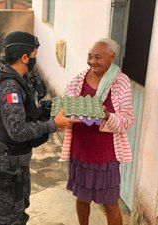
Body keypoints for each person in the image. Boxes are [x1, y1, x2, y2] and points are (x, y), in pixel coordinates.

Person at [0, 31, 80, 225]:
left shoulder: (17, 77)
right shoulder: (9, 86)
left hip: (15, 158)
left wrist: (53, 106)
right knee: (8, 216)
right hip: (6, 160)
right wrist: (53, 125)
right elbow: (18, 131)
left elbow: (28, 109)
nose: (36, 60)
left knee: (19, 206)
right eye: (35, 55)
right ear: (25, 57)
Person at [61, 38, 134, 225]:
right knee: (82, 197)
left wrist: (107, 115)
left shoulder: (121, 83)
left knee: (110, 203)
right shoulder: (79, 79)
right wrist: (67, 113)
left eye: (98, 57)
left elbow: (127, 120)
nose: (92, 61)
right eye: (90, 56)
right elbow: (65, 106)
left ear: (112, 57)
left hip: (105, 155)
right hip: (81, 150)